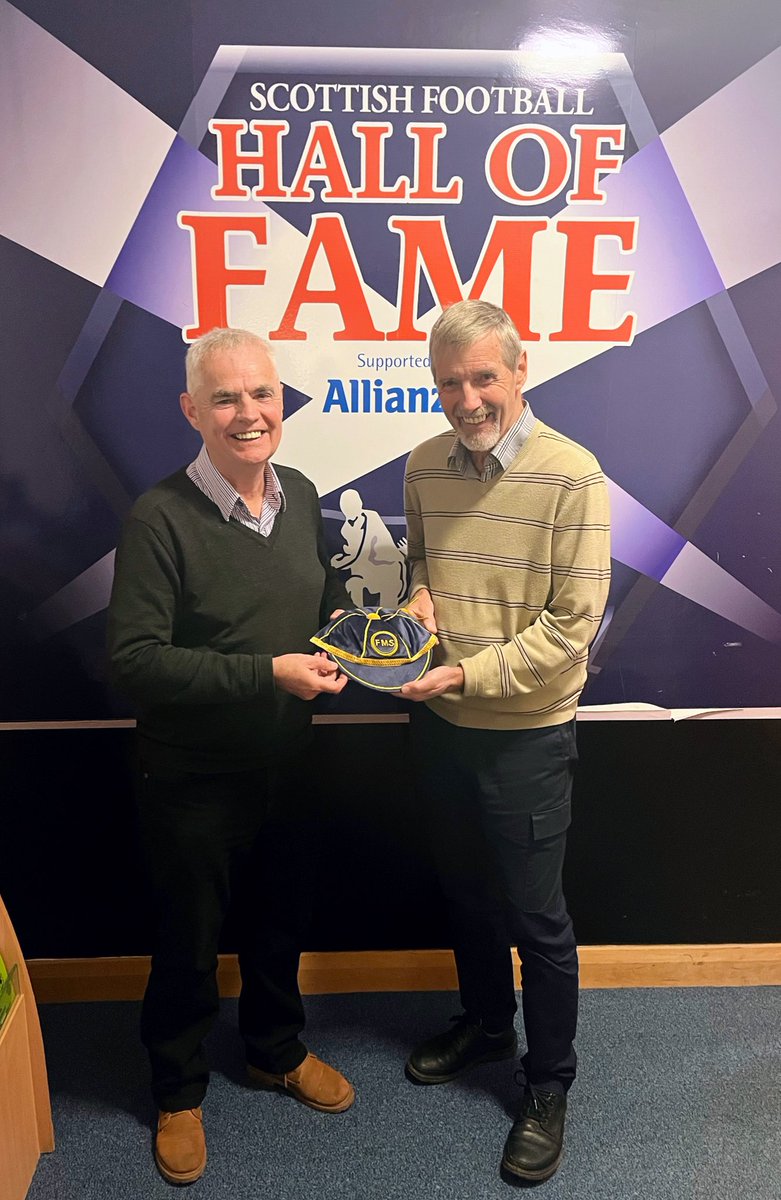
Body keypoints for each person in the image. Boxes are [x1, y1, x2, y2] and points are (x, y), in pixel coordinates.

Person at [107, 328, 353, 1186]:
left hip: (288, 764)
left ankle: (274, 1050)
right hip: (192, 780)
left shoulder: (305, 494)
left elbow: (316, 603)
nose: (248, 414)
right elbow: (135, 660)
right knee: (189, 942)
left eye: (261, 395)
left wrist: (364, 637)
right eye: (225, 398)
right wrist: (268, 673)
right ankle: (177, 1091)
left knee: (278, 926)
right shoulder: (159, 517)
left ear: (279, 400)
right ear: (192, 410)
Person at [400, 300, 610, 1183]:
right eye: (450, 381)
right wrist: (418, 604)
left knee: (537, 920)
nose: (467, 397)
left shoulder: (573, 477)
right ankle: (488, 1025)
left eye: (483, 376)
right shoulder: (419, 465)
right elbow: (421, 566)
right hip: (440, 730)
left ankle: (547, 1081)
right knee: (464, 896)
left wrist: (465, 675)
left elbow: (572, 628)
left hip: (524, 735)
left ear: (519, 373)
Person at [330, 487, 408, 607]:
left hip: (386, 566)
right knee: (353, 584)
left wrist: (338, 562)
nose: (347, 509)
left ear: (359, 504)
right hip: (364, 572)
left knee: (390, 604)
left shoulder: (371, 517)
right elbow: (352, 552)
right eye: (345, 506)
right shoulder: (346, 528)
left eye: (352, 504)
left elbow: (361, 552)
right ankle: (358, 621)